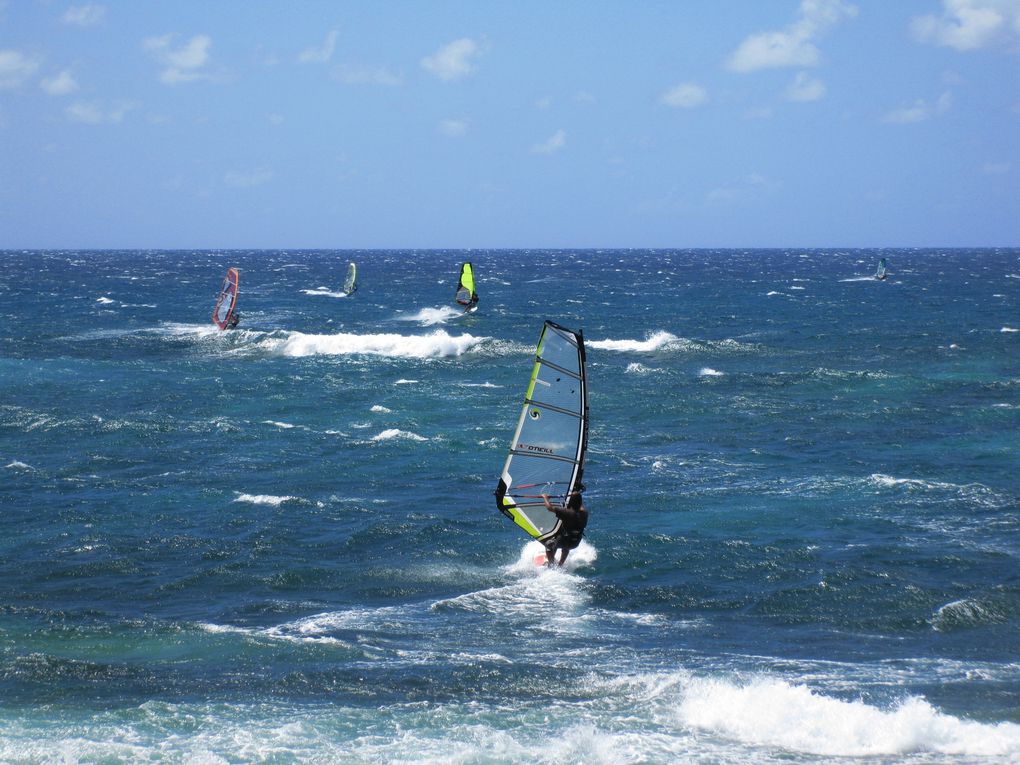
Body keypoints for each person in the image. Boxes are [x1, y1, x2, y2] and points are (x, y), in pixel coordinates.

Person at [540, 490, 588, 566]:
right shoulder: (585, 513)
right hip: (575, 543)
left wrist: (545, 498)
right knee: (565, 545)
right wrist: (576, 494)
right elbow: (579, 502)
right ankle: (560, 564)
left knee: (548, 544)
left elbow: (549, 507)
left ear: (570, 502)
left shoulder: (565, 512)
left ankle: (551, 565)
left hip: (563, 541)